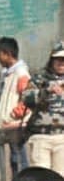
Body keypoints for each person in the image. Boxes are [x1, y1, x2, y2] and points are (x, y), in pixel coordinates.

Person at [20, 40, 64, 172]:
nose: (62, 63)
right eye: (58, 59)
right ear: (51, 60)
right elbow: (26, 99)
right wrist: (46, 91)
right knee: (41, 178)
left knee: (61, 179)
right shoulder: (39, 78)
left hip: (62, 138)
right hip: (41, 137)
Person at [0, 36, 31, 176]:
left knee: (19, 158)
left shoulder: (21, 73)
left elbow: (28, 98)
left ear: (7, 54)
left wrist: (16, 113)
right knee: (14, 158)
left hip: (15, 124)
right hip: (9, 124)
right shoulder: (7, 73)